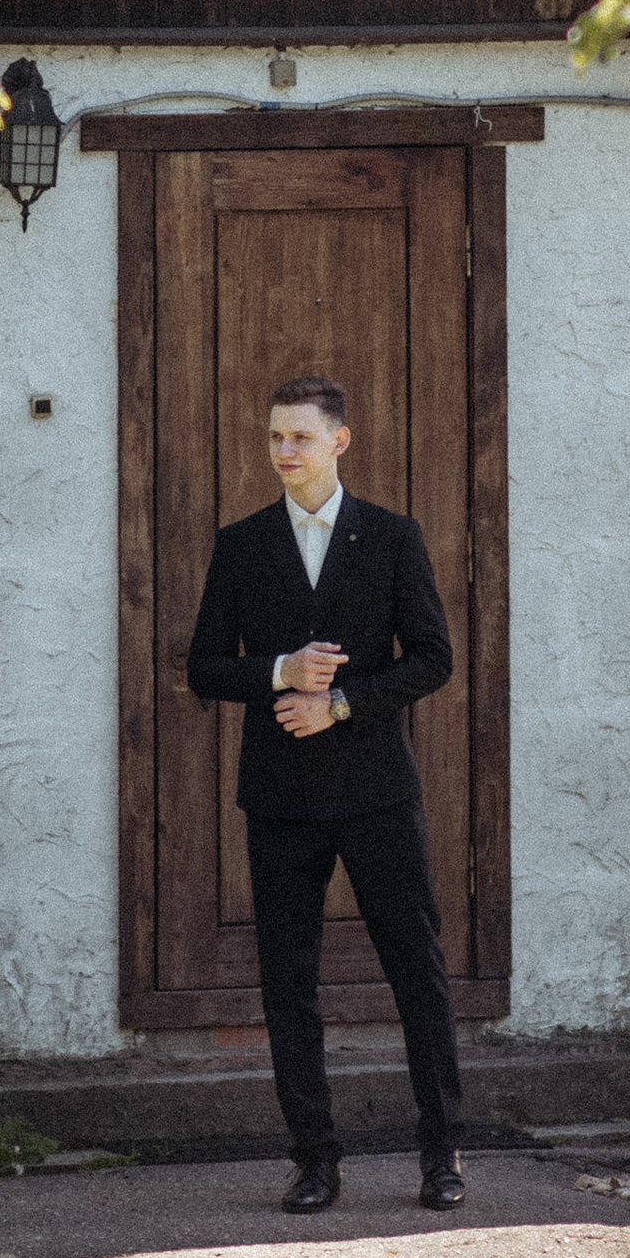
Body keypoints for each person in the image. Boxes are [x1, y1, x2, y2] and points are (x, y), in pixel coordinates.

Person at [185, 372, 464, 1213]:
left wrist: (339, 702)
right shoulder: (241, 545)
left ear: (340, 441)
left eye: (300, 437)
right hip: (278, 800)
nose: (284, 452)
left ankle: (442, 1154)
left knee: (417, 969)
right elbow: (202, 666)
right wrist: (276, 670)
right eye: (275, 437)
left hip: (377, 792)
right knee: (288, 982)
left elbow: (433, 658)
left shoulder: (390, 537)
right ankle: (314, 1159)